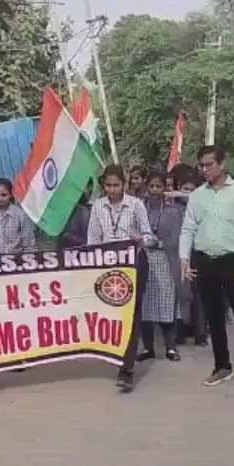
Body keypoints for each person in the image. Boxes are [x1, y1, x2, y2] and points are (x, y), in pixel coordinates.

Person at [179, 145, 234, 388]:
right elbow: (188, 227)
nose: (205, 170)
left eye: (210, 164)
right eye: (202, 165)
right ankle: (222, 366)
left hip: (232, 261)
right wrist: (184, 259)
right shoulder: (198, 195)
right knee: (213, 316)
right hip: (203, 259)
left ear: (222, 164)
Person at [87, 164, 154, 393]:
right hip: (109, 267)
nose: (112, 190)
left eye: (116, 185)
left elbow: (150, 237)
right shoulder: (97, 206)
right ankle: (117, 356)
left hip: (134, 264)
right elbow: (93, 240)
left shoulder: (135, 205)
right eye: (108, 185)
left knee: (132, 314)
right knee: (114, 314)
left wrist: (141, 238)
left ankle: (127, 370)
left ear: (124, 185)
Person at [140, 168, 184, 363]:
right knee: (144, 306)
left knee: (167, 304)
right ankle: (148, 348)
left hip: (166, 260)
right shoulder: (139, 208)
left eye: (159, 186)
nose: (156, 190)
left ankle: (171, 347)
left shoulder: (173, 212)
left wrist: (156, 243)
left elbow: (175, 240)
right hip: (143, 259)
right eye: (152, 186)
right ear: (146, 187)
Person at [171, 165, 208, 347]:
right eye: (185, 190)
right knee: (181, 293)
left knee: (199, 293)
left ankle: (200, 332)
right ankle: (181, 329)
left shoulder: (203, 207)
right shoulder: (173, 208)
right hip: (180, 254)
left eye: (191, 190)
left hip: (200, 253)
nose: (187, 194)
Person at [0, 177, 37, 254]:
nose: (0, 198)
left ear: (11, 195)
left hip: (15, 260)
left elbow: (29, 243)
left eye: (4, 195)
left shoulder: (20, 215)